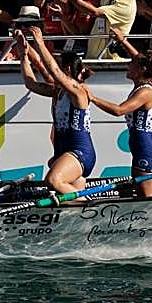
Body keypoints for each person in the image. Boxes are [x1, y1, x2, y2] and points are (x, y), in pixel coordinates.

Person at [87, 30, 152, 197]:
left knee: (147, 202)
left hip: (144, 149)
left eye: (131, 63)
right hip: (146, 148)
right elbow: (139, 58)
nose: (128, 65)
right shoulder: (142, 83)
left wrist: (92, 98)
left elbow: (119, 110)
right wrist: (123, 41)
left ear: (141, 70)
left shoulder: (145, 92)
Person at [16, 26, 95, 197]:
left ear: (67, 70)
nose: (53, 70)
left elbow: (53, 70)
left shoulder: (79, 91)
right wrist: (23, 56)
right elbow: (31, 84)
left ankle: (90, 204)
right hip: (63, 151)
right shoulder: (56, 92)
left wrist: (40, 44)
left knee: (53, 180)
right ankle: (86, 207)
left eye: (59, 65)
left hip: (80, 152)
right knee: (69, 203)